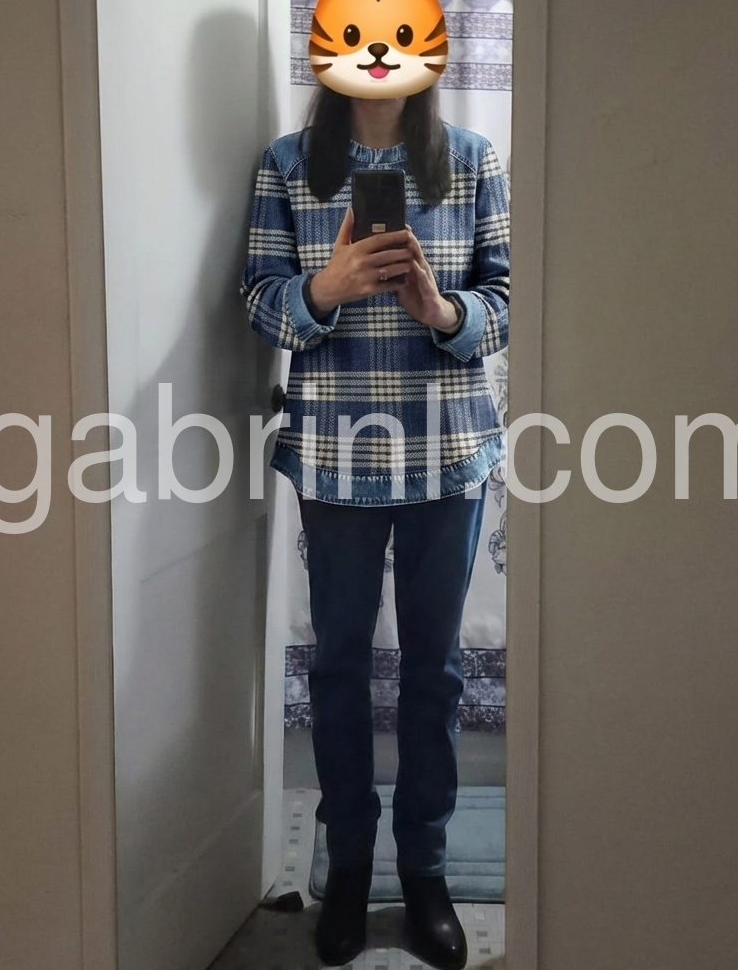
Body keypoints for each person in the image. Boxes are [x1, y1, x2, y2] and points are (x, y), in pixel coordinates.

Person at [241, 82, 510, 969]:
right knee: (339, 666)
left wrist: (444, 312)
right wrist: (324, 289)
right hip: (333, 452)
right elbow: (258, 300)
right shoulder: (288, 165)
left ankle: (424, 872)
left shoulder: (471, 160)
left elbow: (510, 298)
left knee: (434, 670)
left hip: (448, 449)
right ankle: (350, 867)